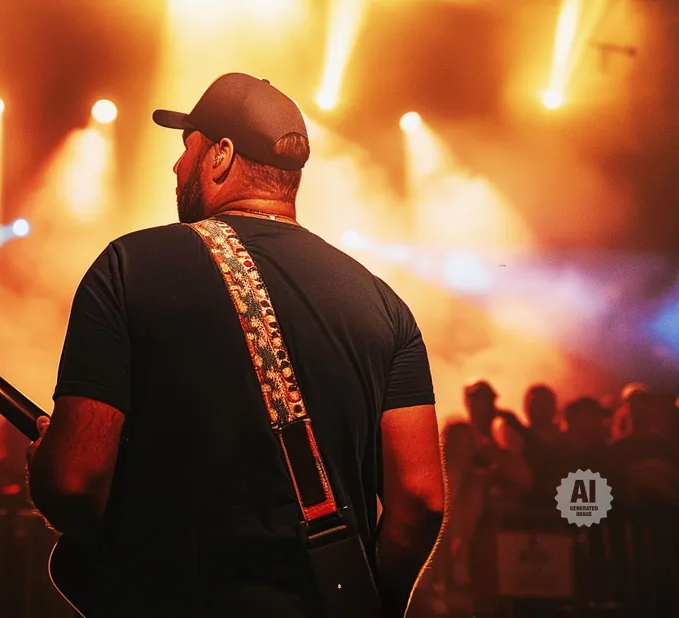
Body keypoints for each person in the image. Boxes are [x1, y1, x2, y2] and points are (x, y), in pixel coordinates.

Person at [26, 72, 445, 617]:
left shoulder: (127, 268)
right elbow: (421, 500)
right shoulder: (384, 305)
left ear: (220, 156)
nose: (177, 167)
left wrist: (45, 465)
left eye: (187, 147)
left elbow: (74, 483)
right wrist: (371, 601)